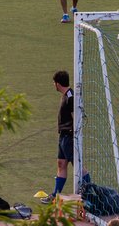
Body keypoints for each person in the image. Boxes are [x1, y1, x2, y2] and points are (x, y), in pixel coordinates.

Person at [49, 69, 75, 199]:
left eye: (54, 82)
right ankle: (55, 194)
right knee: (61, 163)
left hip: (69, 136)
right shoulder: (66, 95)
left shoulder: (70, 97)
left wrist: (74, 134)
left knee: (77, 164)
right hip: (63, 135)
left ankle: (90, 192)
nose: (53, 85)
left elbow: (75, 116)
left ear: (58, 84)